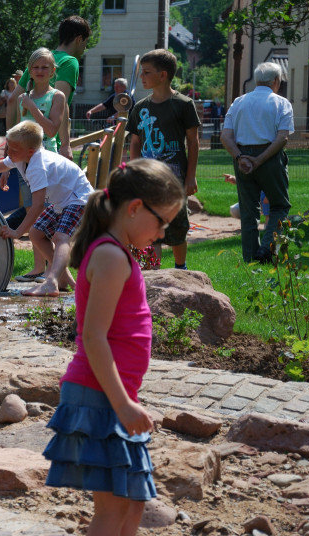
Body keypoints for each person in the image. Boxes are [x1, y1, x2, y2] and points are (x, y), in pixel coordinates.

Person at [44, 159, 184, 536]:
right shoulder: (109, 256)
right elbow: (93, 337)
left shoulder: (117, 252)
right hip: (99, 396)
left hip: (112, 393)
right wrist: (122, 404)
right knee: (113, 508)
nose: (163, 232)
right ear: (135, 208)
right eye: (162, 221)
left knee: (133, 500)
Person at [0, 120, 93, 297]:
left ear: (30, 151)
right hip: (62, 201)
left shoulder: (37, 166)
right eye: (8, 147)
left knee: (60, 237)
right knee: (36, 234)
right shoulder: (21, 157)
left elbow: (37, 206)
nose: (8, 152)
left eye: (13, 150)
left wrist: (17, 232)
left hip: (79, 199)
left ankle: (51, 282)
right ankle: (65, 279)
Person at [126, 49, 200, 270]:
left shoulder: (184, 104)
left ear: (163, 75)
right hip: (148, 181)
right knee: (151, 226)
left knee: (177, 227)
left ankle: (181, 268)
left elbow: (193, 143)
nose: (142, 77)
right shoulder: (140, 108)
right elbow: (135, 143)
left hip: (175, 181)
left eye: (147, 72)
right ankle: (153, 272)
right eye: (141, 72)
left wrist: (191, 177)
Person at [220, 62, 293, 264]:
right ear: (276, 81)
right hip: (270, 157)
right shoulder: (281, 103)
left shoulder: (239, 102)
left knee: (248, 210)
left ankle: (250, 258)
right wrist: (260, 159)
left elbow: (225, 136)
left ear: (257, 80)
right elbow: (282, 138)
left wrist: (240, 157)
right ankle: (268, 249)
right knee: (280, 205)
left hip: (242, 157)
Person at [8, 48, 66, 283]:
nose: (40, 71)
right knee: (35, 212)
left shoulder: (57, 96)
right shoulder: (24, 97)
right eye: (36, 67)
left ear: (53, 71)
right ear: (29, 71)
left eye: (45, 67)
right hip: (25, 164)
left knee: (46, 214)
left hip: (46, 163)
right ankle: (38, 267)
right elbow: (18, 134)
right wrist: (9, 165)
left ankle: (54, 270)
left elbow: (51, 129)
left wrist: (32, 108)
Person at [7, 15, 91, 160]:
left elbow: (12, 100)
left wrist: (10, 144)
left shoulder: (39, 60)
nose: (85, 47)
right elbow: (62, 103)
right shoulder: (69, 62)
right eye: (85, 42)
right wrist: (65, 145)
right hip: (49, 146)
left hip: (24, 146)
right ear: (79, 39)